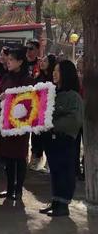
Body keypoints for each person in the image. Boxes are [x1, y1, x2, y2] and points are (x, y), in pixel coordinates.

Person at [40, 61, 83, 217]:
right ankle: (55, 201)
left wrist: (52, 124)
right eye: (54, 70)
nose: (54, 73)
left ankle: (63, 204)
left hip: (64, 140)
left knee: (65, 171)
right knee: (55, 171)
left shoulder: (73, 96)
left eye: (58, 71)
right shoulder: (52, 93)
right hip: (51, 140)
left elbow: (74, 120)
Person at [0, 47, 35, 200]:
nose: (8, 62)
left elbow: (29, 100)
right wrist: (1, 97)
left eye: (11, 59)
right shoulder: (7, 77)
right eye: (8, 59)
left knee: (19, 157)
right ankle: (10, 187)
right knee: (8, 157)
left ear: (20, 61)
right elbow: (0, 92)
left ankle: (18, 190)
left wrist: (11, 98)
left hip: (21, 123)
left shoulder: (27, 79)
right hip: (7, 122)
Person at [29, 53, 57, 172]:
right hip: (37, 111)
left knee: (49, 138)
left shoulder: (54, 78)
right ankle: (35, 159)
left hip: (50, 112)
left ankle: (50, 163)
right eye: (41, 61)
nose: (41, 63)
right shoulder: (37, 77)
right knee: (36, 136)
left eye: (45, 61)